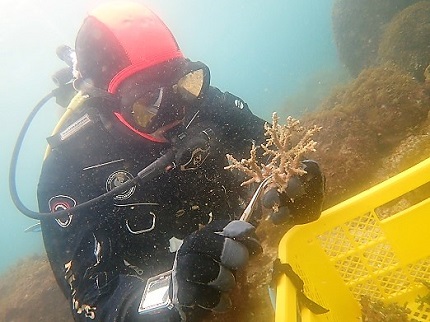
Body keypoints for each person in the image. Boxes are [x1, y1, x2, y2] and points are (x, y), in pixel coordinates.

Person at [37, 2, 324, 321]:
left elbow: (276, 154)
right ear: (108, 106)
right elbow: (91, 302)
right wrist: (172, 293)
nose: (175, 112)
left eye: (183, 84)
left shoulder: (206, 104)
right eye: (147, 102)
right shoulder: (70, 165)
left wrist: (299, 187)